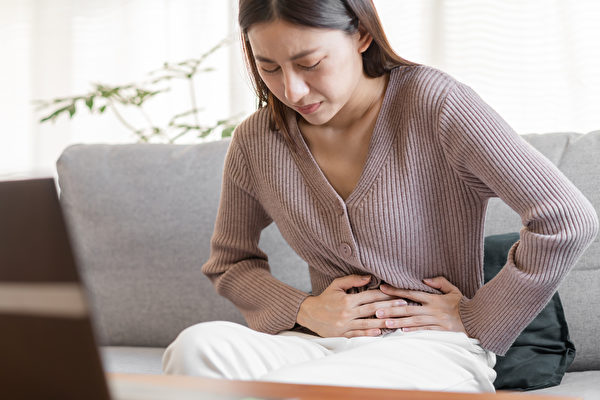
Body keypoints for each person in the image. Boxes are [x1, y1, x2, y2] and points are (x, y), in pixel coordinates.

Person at [162, 0, 599, 393]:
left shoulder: (435, 104)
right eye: (269, 68)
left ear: (361, 35)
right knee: (196, 348)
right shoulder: (258, 140)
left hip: (431, 351)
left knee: (297, 388)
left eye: (309, 63)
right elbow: (230, 263)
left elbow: (565, 218)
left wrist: (478, 319)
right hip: (320, 344)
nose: (291, 90)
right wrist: (305, 310)